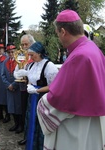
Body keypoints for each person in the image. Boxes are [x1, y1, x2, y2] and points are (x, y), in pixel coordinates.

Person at [37, 9, 105, 150]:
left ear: (63, 31)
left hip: (76, 128)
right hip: (93, 121)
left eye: (58, 34)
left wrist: (42, 105)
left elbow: (59, 99)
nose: (59, 38)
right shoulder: (93, 48)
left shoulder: (79, 56)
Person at [23, 41, 58, 150]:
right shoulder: (31, 65)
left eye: (32, 55)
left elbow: (53, 86)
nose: (30, 57)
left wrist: (37, 90)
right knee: (31, 121)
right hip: (32, 98)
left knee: (40, 123)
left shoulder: (49, 66)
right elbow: (30, 79)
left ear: (39, 53)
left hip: (43, 98)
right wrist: (29, 85)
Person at [14, 34, 36, 142]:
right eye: (22, 44)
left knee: (31, 113)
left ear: (32, 44)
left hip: (34, 89)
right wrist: (16, 73)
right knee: (24, 111)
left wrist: (27, 73)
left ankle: (31, 137)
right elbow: (18, 66)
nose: (24, 46)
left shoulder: (36, 55)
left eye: (26, 44)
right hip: (23, 87)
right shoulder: (21, 55)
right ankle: (25, 135)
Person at [1, 43, 22, 133]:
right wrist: (8, 85)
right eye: (9, 52)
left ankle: (21, 125)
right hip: (9, 89)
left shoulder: (20, 61)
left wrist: (13, 85)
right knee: (11, 107)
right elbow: (2, 75)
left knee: (18, 107)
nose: (10, 54)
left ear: (15, 52)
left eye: (12, 52)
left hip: (17, 88)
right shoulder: (5, 62)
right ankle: (16, 123)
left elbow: (21, 74)